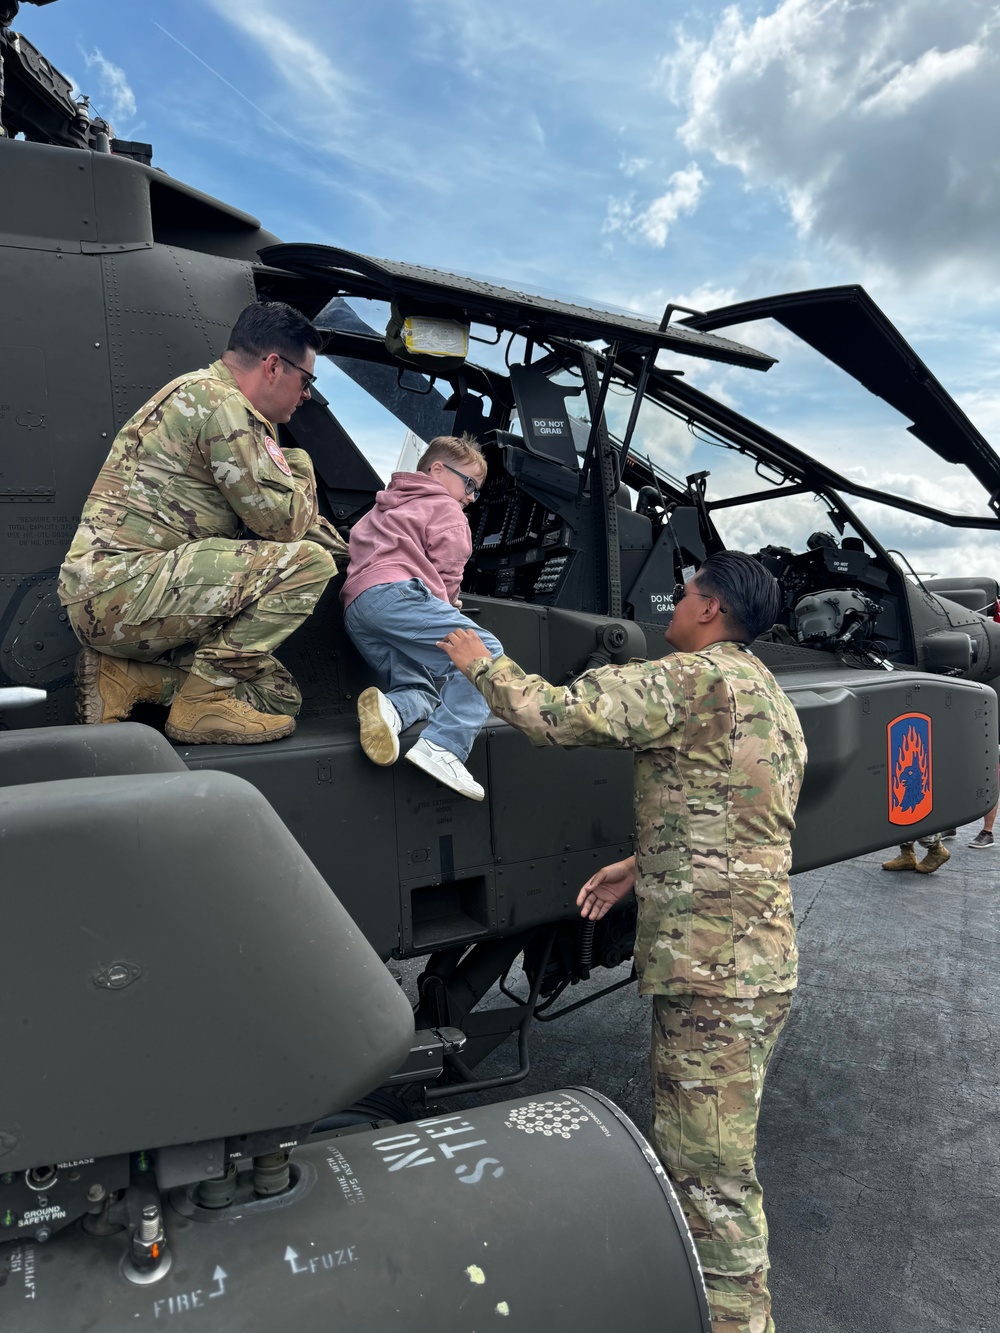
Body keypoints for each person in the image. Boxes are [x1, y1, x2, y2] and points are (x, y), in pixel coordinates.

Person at [439, 551, 806, 1333]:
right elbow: (740, 813)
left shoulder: (690, 678)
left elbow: (558, 715)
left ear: (710, 609)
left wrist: (481, 660)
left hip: (715, 976)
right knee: (710, 1160)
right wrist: (640, 867)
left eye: (683, 592)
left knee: (710, 1178)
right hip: (753, 966)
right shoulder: (766, 696)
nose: (671, 605)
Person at [58, 301, 347, 744]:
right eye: (306, 379)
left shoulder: (211, 399)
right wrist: (301, 464)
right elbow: (284, 524)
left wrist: (363, 551)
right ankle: (201, 704)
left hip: (129, 596)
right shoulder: (220, 403)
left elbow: (300, 523)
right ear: (273, 366)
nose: (306, 393)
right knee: (309, 564)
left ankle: (129, 677)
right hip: (120, 589)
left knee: (275, 695)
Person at [341, 434, 502, 800]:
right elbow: (448, 573)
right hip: (398, 597)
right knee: (483, 650)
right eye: (470, 484)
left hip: (358, 609)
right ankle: (444, 747)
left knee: (421, 687)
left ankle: (390, 710)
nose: (471, 498)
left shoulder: (385, 505)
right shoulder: (447, 510)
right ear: (437, 469)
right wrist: (448, 603)